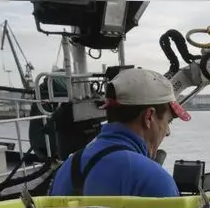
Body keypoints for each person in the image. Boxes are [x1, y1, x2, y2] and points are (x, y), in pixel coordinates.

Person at [49, 67, 191, 197]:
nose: (167, 132)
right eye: (167, 122)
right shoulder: (155, 179)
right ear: (149, 117)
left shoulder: (66, 169)